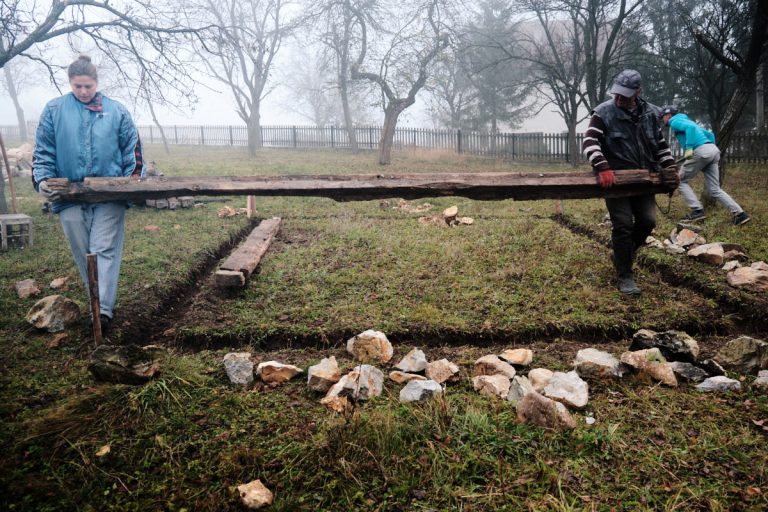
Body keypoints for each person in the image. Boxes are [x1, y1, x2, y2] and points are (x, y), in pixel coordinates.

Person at [33, 54, 143, 331]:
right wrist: (44, 179)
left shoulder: (116, 111)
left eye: (88, 86)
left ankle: (102, 312)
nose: (83, 91)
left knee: (103, 248)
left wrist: (130, 184)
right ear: (70, 83)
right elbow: (44, 151)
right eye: (78, 86)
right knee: (84, 251)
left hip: (109, 193)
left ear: (96, 83)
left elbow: (133, 151)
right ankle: (97, 299)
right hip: (68, 196)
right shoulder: (54, 110)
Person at [582, 69, 678, 296]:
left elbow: (661, 146)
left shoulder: (652, 114)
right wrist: (602, 166)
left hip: (644, 180)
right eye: (616, 93)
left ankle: (621, 255)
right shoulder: (603, 112)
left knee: (647, 222)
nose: (618, 98)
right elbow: (589, 141)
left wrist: (670, 168)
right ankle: (625, 275)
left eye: (624, 95)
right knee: (623, 225)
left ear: (637, 92)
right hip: (615, 181)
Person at [660, 106, 751, 225]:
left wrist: (689, 147)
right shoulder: (687, 120)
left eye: (662, 117)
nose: (663, 120)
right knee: (714, 189)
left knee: (680, 180)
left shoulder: (674, 121)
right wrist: (708, 149)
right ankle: (740, 214)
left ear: (668, 115)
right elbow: (710, 134)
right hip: (713, 150)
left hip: (701, 151)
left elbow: (690, 128)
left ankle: (697, 211)